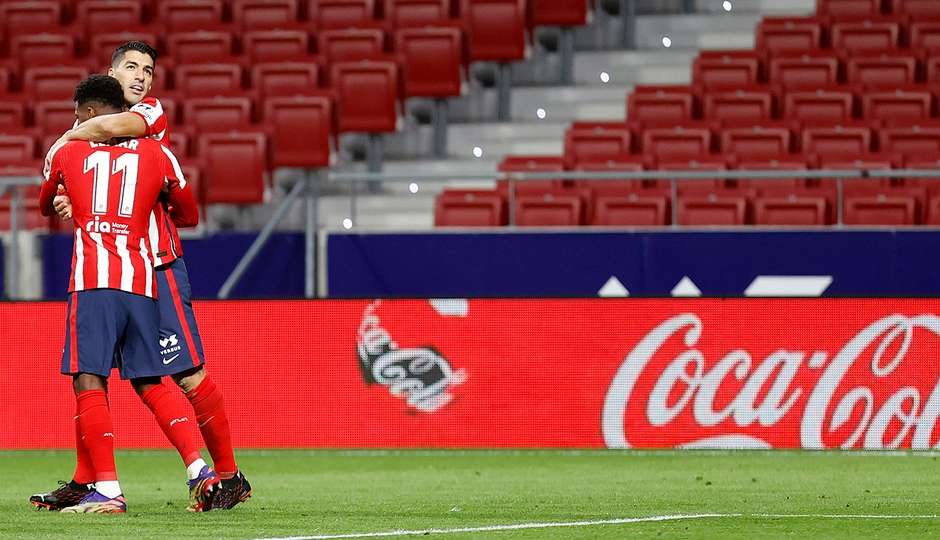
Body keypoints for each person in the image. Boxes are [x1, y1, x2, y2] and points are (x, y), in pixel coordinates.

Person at [31, 41, 250, 513]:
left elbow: (106, 128)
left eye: (148, 70)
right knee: (105, 374)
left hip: (158, 266)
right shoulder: (94, 140)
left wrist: (68, 134)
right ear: (111, 72)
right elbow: (71, 192)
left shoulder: (147, 114)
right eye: (130, 67)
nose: (141, 76)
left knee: (185, 375)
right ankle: (86, 477)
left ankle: (228, 475)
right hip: (123, 270)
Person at [37, 74, 198, 513]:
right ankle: (199, 469)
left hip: (93, 281)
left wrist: (66, 197)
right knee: (150, 380)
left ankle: (107, 489)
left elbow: (45, 199)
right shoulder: (157, 151)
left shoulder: (68, 149)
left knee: (88, 378)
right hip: (145, 282)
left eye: (78, 114)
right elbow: (190, 213)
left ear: (89, 113)